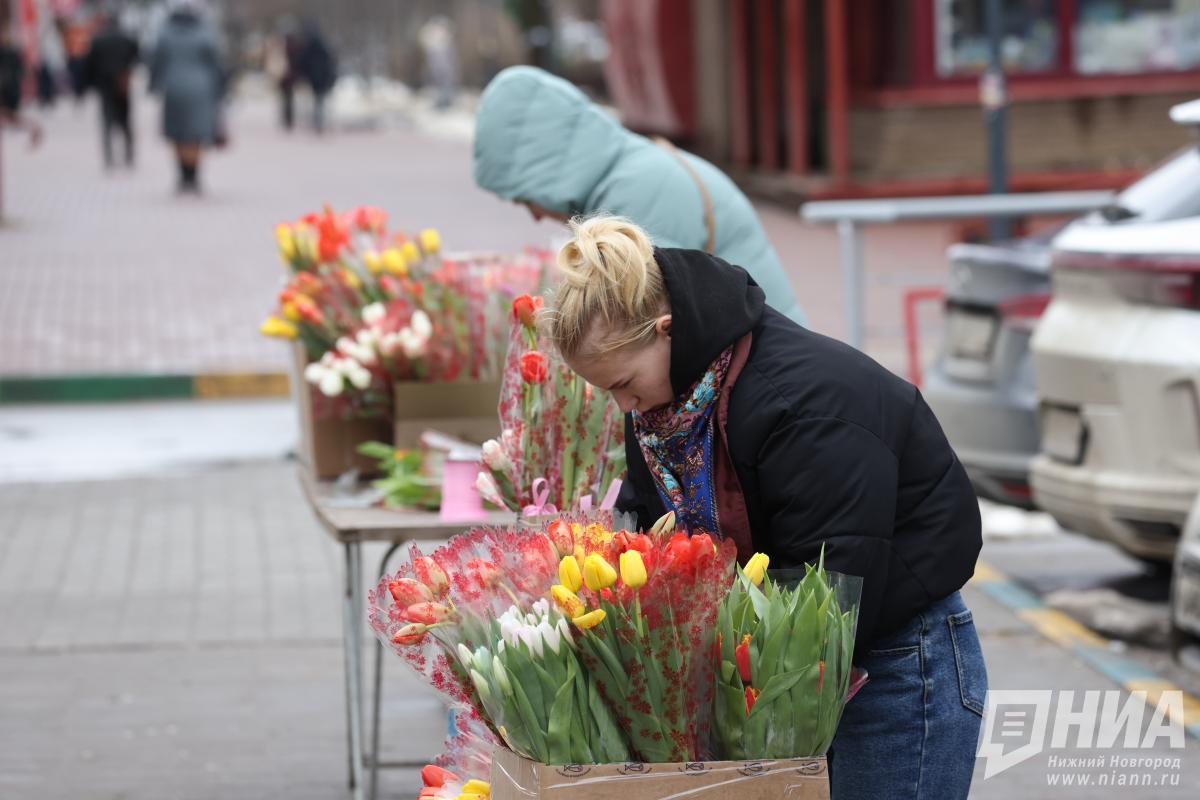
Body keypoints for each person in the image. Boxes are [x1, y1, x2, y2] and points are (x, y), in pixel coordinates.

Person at [542, 215, 987, 800]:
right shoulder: (664, 408)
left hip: (893, 667)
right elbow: (651, 523)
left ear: (667, 330)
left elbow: (832, 583)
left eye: (623, 382)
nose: (622, 404)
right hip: (775, 665)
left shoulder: (805, 403)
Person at [473, 65, 806, 326]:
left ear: (543, 171)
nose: (534, 215)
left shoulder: (635, 196)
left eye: (524, 198)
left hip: (769, 382)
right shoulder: (631, 172)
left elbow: (637, 333)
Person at [149, 0, 225, 193]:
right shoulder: (206, 31)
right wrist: (222, 88)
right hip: (202, 88)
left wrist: (154, 85)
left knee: (177, 133)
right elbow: (216, 62)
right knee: (196, 134)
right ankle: (193, 175)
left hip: (173, 86)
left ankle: (183, 175)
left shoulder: (165, 31)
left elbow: (156, 60)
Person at [83, 11, 139, 168]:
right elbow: (136, 57)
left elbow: (89, 64)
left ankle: (109, 157)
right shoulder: (127, 38)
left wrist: (88, 85)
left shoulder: (97, 39)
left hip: (104, 85)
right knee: (126, 122)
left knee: (106, 121)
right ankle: (129, 155)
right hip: (122, 84)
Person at [0, 21, 43, 148]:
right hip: (10, 88)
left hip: (10, 88)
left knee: (11, 114)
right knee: (10, 115)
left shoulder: (12, 52)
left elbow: (20, 70)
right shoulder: (11, 52)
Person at [295, 20, 335, 134]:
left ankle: (318, 121)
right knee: (319, 100)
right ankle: (318, 121)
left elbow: (302, 61)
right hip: (320, 78)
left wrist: (302, 74)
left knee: (317, 100)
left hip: (316, 78)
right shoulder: (322, 46)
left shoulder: (309, 46)